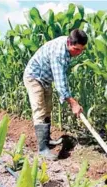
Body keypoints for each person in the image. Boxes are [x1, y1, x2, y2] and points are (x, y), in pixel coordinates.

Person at [23, 29, 88, 160]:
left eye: (82, 50)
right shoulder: (58, 52)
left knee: (48, 109)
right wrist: (72, 102)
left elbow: (61, 75)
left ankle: (47, 140)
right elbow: (60, 80)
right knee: (40, 110)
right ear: (69, 42)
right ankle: (43, 149)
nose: (78, 53)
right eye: (76, 49)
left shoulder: (68, 45)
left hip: (46, 79)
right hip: (34, 77)